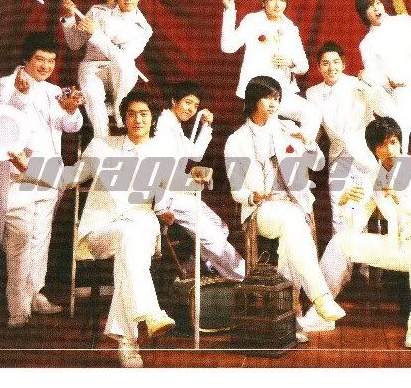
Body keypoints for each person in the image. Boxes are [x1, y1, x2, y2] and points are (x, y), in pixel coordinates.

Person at [9, 90, 177, 368]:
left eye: (144, 114)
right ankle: (149, 312)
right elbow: (67, 177)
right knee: (128, 238)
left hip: (142, 226)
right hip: (102, 229)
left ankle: (129, 341)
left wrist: (168, 209)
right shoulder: (102, 147)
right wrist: (29, 166)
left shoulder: (164, 152)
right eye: (131, 114)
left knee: (130, 248)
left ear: (153, 118)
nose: (137, 120)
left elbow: (168, 196)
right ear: (123, 118)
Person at [304, 116, 411, 348]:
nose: (389, 149)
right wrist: (346, 203)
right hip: (401, 245)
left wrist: (404, 200)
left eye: (393, 142)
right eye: (382, 145)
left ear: (400, 143)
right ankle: (320, 314)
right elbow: (354, 226)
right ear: (374, 150)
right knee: (340, 242)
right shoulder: (374, 176)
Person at [224, 76, 346, 342]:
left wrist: (309, 144)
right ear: (253, 100)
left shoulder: (288, 128)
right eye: (267, 97)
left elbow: (318, 165)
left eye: (277, 98)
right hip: (261, 208)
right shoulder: (236, 140)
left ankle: (290, 320)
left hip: (296, 204)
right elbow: (236, 191)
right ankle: (321, 297)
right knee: (293, 221)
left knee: (293, 240)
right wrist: (252, 196)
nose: (273, 103)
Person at [0, 32, 84, 328]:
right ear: (27, 59)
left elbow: (71, 126)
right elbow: (2, 119)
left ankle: (35, 295)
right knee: (19, 239)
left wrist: (72, 109)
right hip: (18, 172)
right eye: (40, 60)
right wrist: (20, 95)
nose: (46, 66)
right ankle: (17, 308)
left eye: (51, 61)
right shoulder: (5, 84)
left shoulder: (54, 90)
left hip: (49, 173)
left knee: (40, 238)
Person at [154, 80, 245, 280]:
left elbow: (195, 154)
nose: (191, 109)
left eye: (195, 106)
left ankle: (206, 265)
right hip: (165, 198)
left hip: (176, 191)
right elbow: (159, 172)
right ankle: (243, 276)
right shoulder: (163, 127)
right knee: (214, 238)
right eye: (187, 102)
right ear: (174, 101)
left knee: (221, 227)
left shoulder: (174, 126)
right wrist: (160, 210)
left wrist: (206, 125)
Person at [305, 41, 398, 234]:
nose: (331, 68)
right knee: (340, 211)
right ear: (319, 67)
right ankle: (342, 253)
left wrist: (371, 86)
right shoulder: (313, 93)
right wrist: (306, 141)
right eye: (325, 63)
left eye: (336, 62)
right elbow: (313, 124)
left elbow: (385, 111)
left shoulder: (358, 84)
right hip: (338, 157)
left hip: (366, 155)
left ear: (343, 64)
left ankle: (370, 253)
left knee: (370, 208)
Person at [221, 0, 321, 142]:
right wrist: (230, 11)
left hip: (281, 93)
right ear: (263, 1)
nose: (277, 4)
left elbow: (304, 66)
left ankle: (302, 152)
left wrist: (289, 62)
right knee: (271, 134)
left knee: (313, 113)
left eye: (282, 0)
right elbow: (228, 46)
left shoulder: (290, 27)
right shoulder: (252, 21)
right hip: (257, 92)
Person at [61, 0, 154, 138]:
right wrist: (70, 17)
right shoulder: (97, 12)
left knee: (126, 64)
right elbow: (74, 44)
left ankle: (118, 109)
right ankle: (101, 140)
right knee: (92, 93)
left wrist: (95, 34)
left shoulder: (144, 29)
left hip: (120, 74)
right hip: (92, 69)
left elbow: (122, 59)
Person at [355, 0, 411, 159]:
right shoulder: (367, 43)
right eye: (370, 7)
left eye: (378, 3)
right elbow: (372, 73)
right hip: (399, 98)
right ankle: (400, 176)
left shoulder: (404, 21)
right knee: (400, 148)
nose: (376, 8)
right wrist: (388, 83)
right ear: (364, 14)